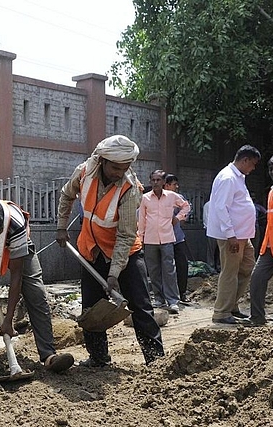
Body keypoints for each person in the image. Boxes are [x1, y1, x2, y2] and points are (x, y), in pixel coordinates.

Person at [56, 135, 164, 367]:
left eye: (125, 168)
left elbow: (126, 235)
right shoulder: (84, 172)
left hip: (125, 254)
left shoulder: (129, 188)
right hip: (92, 251)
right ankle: (98, 357)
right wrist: (61, 227)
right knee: (91, 309)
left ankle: (155, 361)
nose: (119, 172)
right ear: (103, 161)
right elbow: (67, 195)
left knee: (141, 307)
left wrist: (114, 273)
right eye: (115, 167)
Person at [0, 198, 74, 373]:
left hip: (18, 248)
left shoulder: (15, 225)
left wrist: (8, 320)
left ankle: (49, 355)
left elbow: (17, 276)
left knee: (36, 294)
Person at [207, 144, 261, 325]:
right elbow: (221, 208)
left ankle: (231, 305)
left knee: (247, 267)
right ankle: (222, 312)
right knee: (230, 272)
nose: (253, 169)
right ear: (245, 160)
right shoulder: (228, 178)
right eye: (252, 164)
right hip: (232, 236)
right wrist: (231, 235)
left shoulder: (238, 177)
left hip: (242, 235)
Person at [138, 170, 190, 314]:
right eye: (153, 180)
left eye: (158, 180)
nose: (155, 182)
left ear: (163, 182)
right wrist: (140, 238)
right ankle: (159, 299)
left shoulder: (172, 196)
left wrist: (178, 218)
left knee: (169, 270)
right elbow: (141, 219)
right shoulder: (145, 198)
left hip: (167, 238)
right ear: (150, 181)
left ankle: (173, 301)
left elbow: (186, 206)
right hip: (150, 239)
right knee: (153, 271)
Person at [249, 154, 273, 325]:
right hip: (269, 247)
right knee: (257, 279)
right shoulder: (272, 190)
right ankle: (257, 318)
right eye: (271, 168)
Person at [163, 173, 193, 303]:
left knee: (182, 264)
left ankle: (182, 293)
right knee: (165, 267)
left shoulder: (178, 198)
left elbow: (187, 209)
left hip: (178, 237)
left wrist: (179, 217)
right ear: (167, 185)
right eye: (174, 184)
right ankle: (166, 295)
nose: (177, 186)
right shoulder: (156, 197)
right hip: (162, 238)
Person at [203, 200, 220, 272]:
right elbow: (206, 217)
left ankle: (217, 266)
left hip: (219, 230)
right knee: (212, 250)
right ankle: (211, 267)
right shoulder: (208, 205)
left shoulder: (220, 204)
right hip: (212, 230)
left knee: (218, 250)